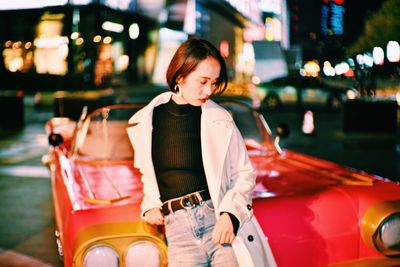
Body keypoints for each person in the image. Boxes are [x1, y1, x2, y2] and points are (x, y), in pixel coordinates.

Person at [127, 37, 276, 267]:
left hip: (219, 223)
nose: (209, 90)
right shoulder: (149, 120)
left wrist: (231, 215)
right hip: (178, 231)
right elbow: (149, 173)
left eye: (214, 82)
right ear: (180, 76)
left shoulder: (221, 119)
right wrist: (150, 204)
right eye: (203, 81)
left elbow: (243, 173)